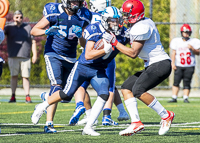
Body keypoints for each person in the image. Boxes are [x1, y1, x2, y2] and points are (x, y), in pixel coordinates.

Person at [31, 6, 130, 136]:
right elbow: (88, 54)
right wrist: (104, 50)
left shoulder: (123, 33)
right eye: (112, 20)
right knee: (66, 94)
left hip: (98, 69)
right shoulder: (95, 29)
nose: (116, 23)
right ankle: (43, 105)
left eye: (117, 20)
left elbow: (134, 47)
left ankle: (89, 127)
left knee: (104, 93)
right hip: (83, 67)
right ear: (105, 20)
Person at [102, 0, 175, 136]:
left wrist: (114, 42)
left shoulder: (141, 27)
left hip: (160, 64)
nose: (124, 17)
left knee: (138, 90)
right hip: (153, 64)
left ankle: (166, 115)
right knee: (126, 87)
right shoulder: (141, 23)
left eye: (126, 15)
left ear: (134, 15)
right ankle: (136, 123)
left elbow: (133, 53)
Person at [30, 0, 92, 133]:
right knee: (56, 85)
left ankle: (46, 98)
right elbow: (34, 31)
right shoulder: (54, 11)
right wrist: (47, 31)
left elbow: (83, 44)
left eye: (78, 2)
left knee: (67, 94)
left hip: (70, 56)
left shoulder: (83, 15)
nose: (76, 5)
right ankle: (49, 124)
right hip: (53, 53)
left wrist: (80, 35)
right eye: (73, 2)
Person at [70, 0, 129, 126]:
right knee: (109, 86)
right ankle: (106, 116)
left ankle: (85, 110)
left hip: (88, 57)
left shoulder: (90, 16)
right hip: (104, 56)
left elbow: (83, 42)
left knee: (80, 84)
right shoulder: (111, 17)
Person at [4, 10, 37, 103]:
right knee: (13, 76)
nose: (19, 19)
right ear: (14, 17)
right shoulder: (8, 27)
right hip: (13, 56)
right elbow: (1, 35)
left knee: (25, 77)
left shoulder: (28, 27)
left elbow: (33, 41)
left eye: (21, 17)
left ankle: (27, 96)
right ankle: (13, 96)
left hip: (25, 56)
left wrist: (34, 54)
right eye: (17, 17)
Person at [168, 24, 200, 103]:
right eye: (185, 32)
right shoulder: (176, 41)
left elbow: (198, 53)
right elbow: (173, 53)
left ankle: (185, 98)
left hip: (189, 65)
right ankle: (174, 97)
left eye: (188, 32)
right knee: (176, 81)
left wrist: (192, 48)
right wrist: (172, 63)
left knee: (187, 81)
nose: (186, 34)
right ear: (181, 32)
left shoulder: (194, 41)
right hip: (179, 65)